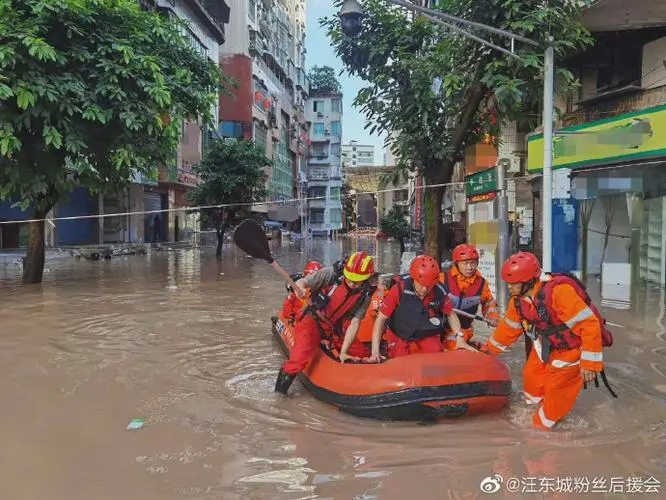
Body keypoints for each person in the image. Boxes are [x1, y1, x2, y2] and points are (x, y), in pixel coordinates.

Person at [481, 251, 606, 431]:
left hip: (572, 350)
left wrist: (590, 364)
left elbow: (589, 324)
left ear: (527, 281)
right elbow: (507, 331)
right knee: (531, 380)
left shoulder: (559, 292)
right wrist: (487, 352)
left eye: (513, 284)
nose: (509, 288)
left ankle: (541, 430)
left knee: (555, 397)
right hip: (545, 346)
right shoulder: (518, 302)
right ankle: (536, 410)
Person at [274, 251, 376, 394]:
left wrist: (344, 352)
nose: (352, 283)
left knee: (362, 353)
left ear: (367, 278)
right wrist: (301, 289)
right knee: (298, 360)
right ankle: (279, 394)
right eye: (349, 279)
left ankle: (367, 386)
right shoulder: (330, 275)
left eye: (356, 281)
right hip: (311, 321)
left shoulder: (365, 294)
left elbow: (355, 323)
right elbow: (303, 281)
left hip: (333, 326)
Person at [367, 255, 476, 363]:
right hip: (399, 332)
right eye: (421, 285)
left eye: (429, 286)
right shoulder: (399, 289)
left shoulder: (439, 290)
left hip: (424, 331)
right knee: (399, 359)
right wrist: (375, 352)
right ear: (413, 278)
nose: (424, 290)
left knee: (436, 352)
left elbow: (450, 314)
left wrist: (460, 338)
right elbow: (381, 319)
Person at [440, 244, 500, 350]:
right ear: (457, 263)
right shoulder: (442, 279)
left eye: (473, 263)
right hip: (439, 328)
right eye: (465, 263)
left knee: (453, 346)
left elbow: (489, 302)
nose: (469, 267)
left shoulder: (481, 283)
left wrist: (492, 316)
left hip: (463, 329)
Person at [281, 260, 322, 325]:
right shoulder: (298, 290)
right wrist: (291, 317)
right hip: (299, 319)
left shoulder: (323, 291)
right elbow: (288, 306)